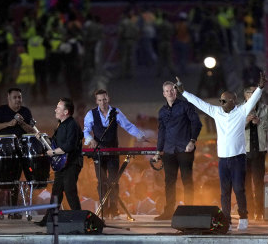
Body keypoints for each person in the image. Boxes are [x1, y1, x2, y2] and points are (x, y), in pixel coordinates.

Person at [175, 72, 266, 230]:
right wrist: (183, 92)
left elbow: (252, 101)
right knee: (225, 192)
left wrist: (260, 87)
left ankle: (243, 217)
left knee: (239, 188)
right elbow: (199, 103)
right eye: (220, 100)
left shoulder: (241, 111)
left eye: (224, 100)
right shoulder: (216, 112)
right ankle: (227, 220)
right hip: (223, 159)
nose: (221, 102)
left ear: (233, 101)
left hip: (238, 158)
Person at [83, 89, 147, 218]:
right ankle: (103, 209)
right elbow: (86, 130)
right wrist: (90, 140)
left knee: (114, 181)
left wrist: (141, 135)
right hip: (99, 153)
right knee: (101, 182)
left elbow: (128, 126)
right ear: (96, 101)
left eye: (104, 99)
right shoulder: (91, 114)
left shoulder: (115, 112)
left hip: (113, 152)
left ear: (108, 99)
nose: (102, 102)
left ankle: (114, 208)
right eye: (100, 100)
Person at [153, 81, 202, 220]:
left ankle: (189, 210)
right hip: (168, 151)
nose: (170, 93)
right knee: (169, 182)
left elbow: (197, 123)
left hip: (185, 149)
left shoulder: (186, 106)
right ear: (164, 94)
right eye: (167, 91)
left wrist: (192, 141)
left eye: (172, 90)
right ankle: (168, 211)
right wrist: (158, 151)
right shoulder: (162, 111)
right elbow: (161, 132)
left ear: (176, 91)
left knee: (187, 180)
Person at [0, 88, 36, 218]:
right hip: (1, 150)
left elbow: (32, 131)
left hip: (18, 149)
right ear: (8, 99)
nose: (18, 100)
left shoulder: (26, 112)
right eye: (15, 97)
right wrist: (8, 124)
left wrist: (22, 123)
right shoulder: (2, 110)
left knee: (16, 179)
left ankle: (13, 210)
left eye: (19, 97)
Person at [36, 98, 83, 226]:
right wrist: (43, 139)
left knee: (69, 190)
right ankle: (48, 219)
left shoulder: (72, 124)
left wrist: (54, 153)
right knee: (56, 192)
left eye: (58, 107)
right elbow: (54, 143)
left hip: (72, 163)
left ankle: (79, 220)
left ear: (66, 112)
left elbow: (69, 146)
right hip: (63, 164)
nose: (55, 109)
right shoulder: (60, 125)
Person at [244, 85, 268, 220]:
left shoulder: (265, 109)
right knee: (245, 184)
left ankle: (259, 211)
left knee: (258, 183)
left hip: (259, 152)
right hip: (244, 152)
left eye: (256, 93)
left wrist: (260, 122)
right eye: (251, 92)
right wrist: (246, 121)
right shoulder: (240, 108)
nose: (254, 95)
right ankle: (249, 211)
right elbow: (233, 127)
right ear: (245, 95)